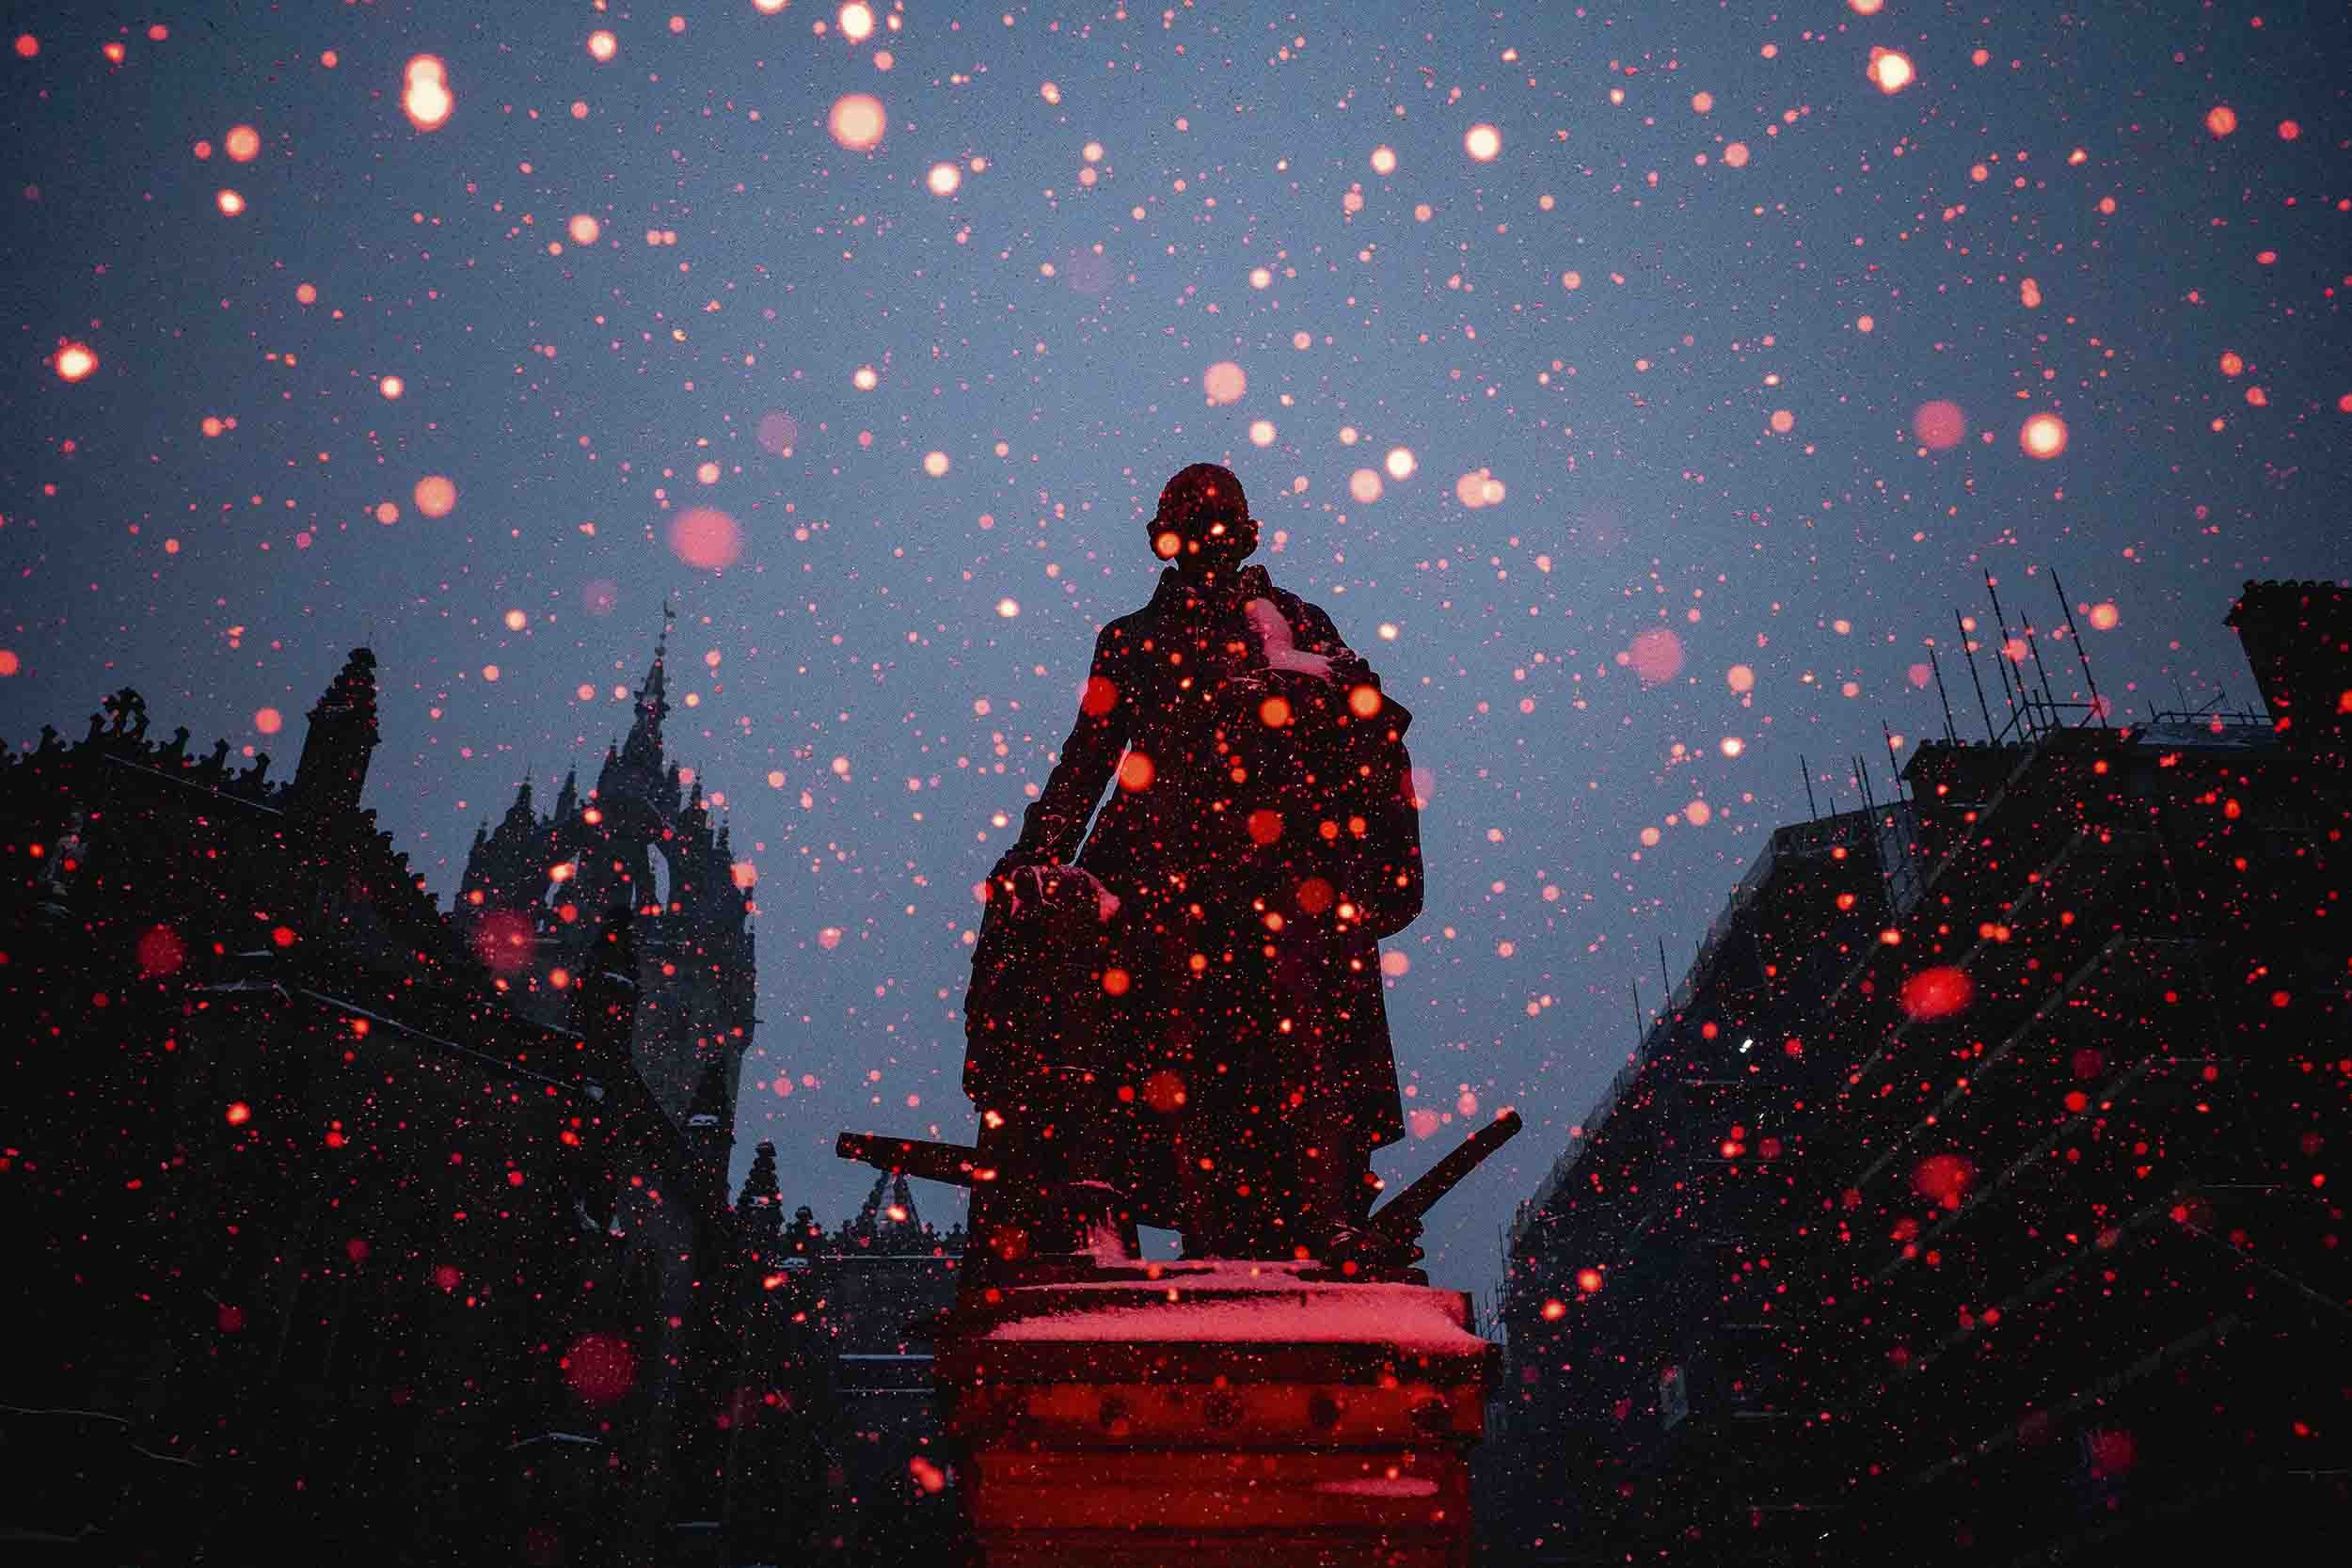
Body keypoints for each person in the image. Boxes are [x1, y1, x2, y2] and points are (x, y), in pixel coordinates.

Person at [973, 463, 1422, 1259]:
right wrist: (1033, 856)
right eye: (1194, 527)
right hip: (1163, 872)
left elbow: (1368, 720)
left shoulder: (1299, 623)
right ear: (1166, 541)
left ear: (1244, 534)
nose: (1209, 545)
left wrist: (1332, 694)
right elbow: (1086, 763)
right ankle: (1184, 1212)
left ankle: (1325, 1208)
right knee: (1174, 1035)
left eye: (1221, 527)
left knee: (1301, 1016)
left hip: (1282, 870)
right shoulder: (1132, 640)